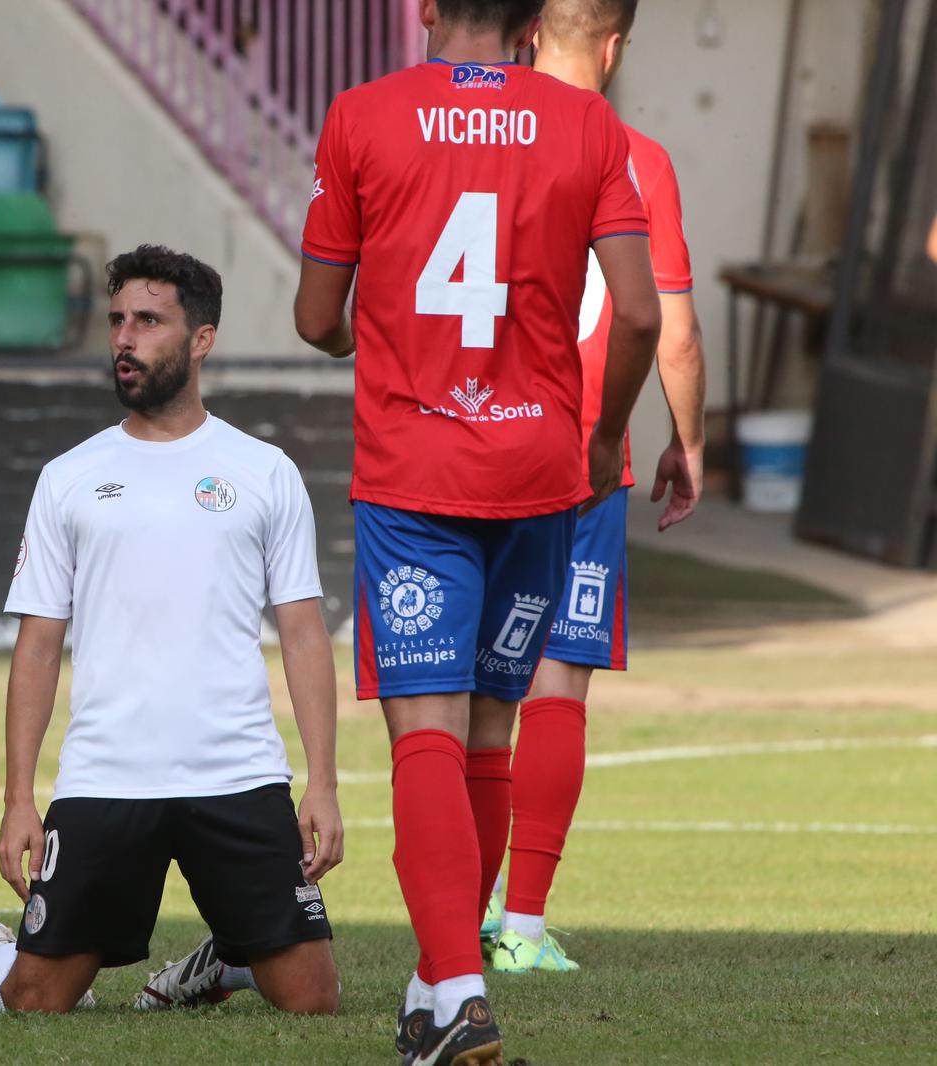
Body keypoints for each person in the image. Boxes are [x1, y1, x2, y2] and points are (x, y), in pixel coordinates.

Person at [294, 0, 662, 1061]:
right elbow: (639, 313)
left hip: (416, 471)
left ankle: (458, 989)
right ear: (530, 19)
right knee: (493, 731)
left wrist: (366, 328)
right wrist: (604, 438)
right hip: (542, 470)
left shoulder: (362, 116)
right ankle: (435, 979)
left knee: (425, 730)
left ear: (423, 7)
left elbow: (316, 319)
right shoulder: (589, 124)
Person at [0, 245, 344, 1017]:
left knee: (312, 1002)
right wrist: (17, 798)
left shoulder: (265, 471)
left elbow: (304, 636)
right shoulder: (68, 478)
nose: (124, 339)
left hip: (238, 774)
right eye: (116, 321)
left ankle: (224, 959)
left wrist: (324, 784)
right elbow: (38, 647)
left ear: (201, 339)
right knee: (34, 1002)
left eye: (147, 321)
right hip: (108, 777)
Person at [481, 0, 708, 976]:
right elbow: (670, 330)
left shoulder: (471, 137)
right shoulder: (635, 157)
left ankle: (455, 917)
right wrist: (686, 440)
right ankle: (522, 929)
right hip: (580, 456)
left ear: (531, 30)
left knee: (472, 691)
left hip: (473, 442)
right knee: (557, 682)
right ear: (613, 46)